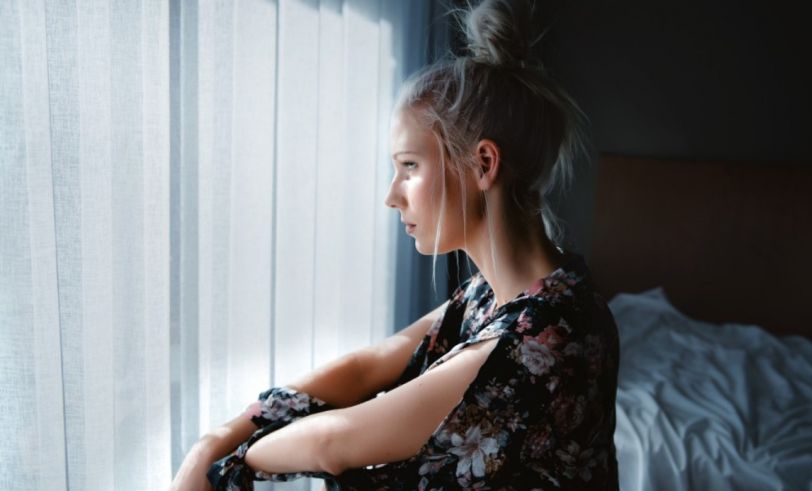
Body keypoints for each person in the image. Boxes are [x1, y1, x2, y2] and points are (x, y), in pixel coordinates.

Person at [169, 0, 619, 489]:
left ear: (483, 165)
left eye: (409, 167)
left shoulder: (544, 339)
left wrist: (227, 465)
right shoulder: (502, 294)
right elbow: (368, 367)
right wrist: (215, 439)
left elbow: (332, 442)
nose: (391, 195)